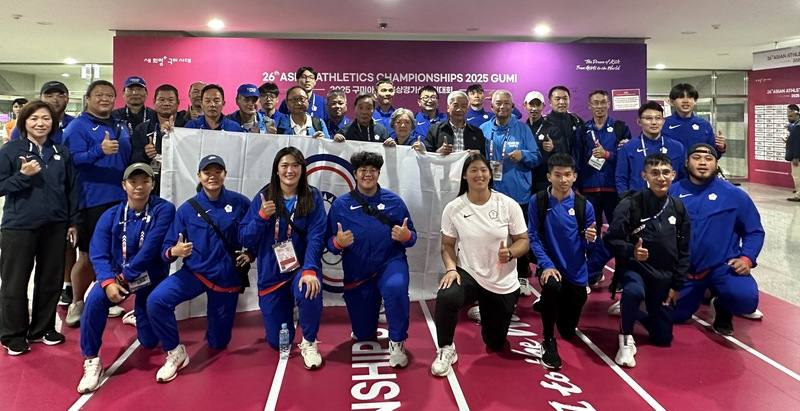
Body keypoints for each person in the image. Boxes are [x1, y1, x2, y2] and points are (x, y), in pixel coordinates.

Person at [147, 155, 252, 383]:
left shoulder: (241, 203)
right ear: (199, 176)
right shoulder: (186, 209)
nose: (212, 176)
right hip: (194, 274)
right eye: (207, 172)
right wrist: (174, 252)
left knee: (218, 342)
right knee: (156, 301)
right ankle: (175, 352)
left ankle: (215, 331)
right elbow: (166, 247)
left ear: (225, 174)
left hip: (226, 278)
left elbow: (255, 233)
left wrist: (250, 253)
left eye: (217, 171)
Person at [76, 163, 175, 393]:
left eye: (145, 181)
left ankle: (138, 314)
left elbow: (150, 250)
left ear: (153, 184)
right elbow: (98, 253)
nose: (139, 186)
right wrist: (108, 282)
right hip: (117, 277)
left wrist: (123, 278)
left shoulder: (164, 210)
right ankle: (91, 360)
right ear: (124, 185)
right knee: (94, 301)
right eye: (133, 182)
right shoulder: (110, 215)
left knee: (149, 341)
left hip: (149, 277)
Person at [431, 153, 529, 377]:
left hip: (501, 280)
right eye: (473, 170)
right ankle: (446, 348)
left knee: (495, 342)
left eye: (483, 170)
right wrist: (451, 268)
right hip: (469, 273)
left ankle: (485, 309)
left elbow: (523, 241)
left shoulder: (507, 204)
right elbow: (447, 245)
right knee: (447, 296)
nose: (479, 174)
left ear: (490, 174)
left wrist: (511, 253)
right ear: (465, 175)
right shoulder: (454, 208)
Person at [0, 101, 79, 355]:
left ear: (52, 123)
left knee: (50, 280)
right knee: (15, 281)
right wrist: (22, 176)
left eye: (45, 118)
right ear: (24, 122)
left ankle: (42, 328)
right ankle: (12, 334)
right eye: (34, 118)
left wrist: (72, 221)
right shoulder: (11, 150)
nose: (40, 123)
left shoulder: (61, 152)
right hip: (19, 226)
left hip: (55, 226)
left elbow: (71, 189)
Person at [326, 152, 416, 368]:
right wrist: (338, 243)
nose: (368, 174)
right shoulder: (341, 205)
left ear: (378, 173)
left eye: (372, 170)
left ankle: (397, 342)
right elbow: (328, 243)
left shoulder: (394, 202)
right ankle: (363, 324)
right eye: (363, 170)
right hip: (358, 272)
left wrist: (406, 237)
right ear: (355, 174)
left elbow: (412, 236)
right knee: (364, 335)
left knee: (396, 288)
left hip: (390, 263)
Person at [239, 147, 326, 369]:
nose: (290, 170)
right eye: (285, 165)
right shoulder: (263, 196)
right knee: (277, 343)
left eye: (295, 165)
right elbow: (245, 237)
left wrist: (310, 269)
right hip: (272, 272)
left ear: (303, 169)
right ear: (276, 170)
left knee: (309, 287)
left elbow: (317, 237)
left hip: (300, 268)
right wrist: (260, 218)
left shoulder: (313, 196)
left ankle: (309, 341)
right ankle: (288, 311)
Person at [604, 153, 690, 368]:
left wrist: (677, 284)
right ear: (645, 176)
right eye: (655, 173)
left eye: (665, 173)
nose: (661, 178)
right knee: (633, 292)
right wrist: (632, 251)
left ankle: (632, 312)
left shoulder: (679, 208)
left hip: (664, 276)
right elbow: (611, 239)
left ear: (673, 175)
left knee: (663, 338)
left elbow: (684, 248)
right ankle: (625, 339)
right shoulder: (631, 204)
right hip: (637, 270)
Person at [669, 144, 765, 336]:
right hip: (684, 270)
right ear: (686, 162)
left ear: (716, 164)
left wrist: (747, 258)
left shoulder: (735, 195)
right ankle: (698, 295)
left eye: (709, 158)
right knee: (672, 315)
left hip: (722, 266)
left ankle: (722, 305)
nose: (703, 162)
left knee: (745, 300)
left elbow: (754, 231)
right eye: (696, 157)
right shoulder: (672, 193)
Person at [64, 80, 132, 327]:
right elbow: (70, 161)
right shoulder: (77, 127)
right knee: (89, 255)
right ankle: (77, 301)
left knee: (114, 254)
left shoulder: (120, 124)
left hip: (121, 199)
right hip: (91, 201)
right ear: (88, 98)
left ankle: (103, 297)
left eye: (109, 95)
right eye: (99, 95)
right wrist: (98, 151)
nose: (105, 99)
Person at [529, 153, 598, 370]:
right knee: (551, 287)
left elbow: (591, 245)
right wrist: (546, 264)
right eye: (557, 175)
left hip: (576, 271)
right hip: (551, 268)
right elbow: (533, 236)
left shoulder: (583, 206)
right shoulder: (538, 201)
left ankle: (551, 305)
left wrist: (592, 240)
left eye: (567, 175)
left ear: (575, 176)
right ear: (549, 176)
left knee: (568, 329)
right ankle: (548, 340)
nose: (563, 180)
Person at [480, 90, 542, 295]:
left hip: (518, 193)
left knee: (519, 238)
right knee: (491, 236)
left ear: (512, 105)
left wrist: (523, 155)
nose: (502, 107)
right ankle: (490, 274)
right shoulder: (483, 129)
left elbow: (536, 157)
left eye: (506, 103)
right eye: (498, 103)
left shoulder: (522, 129)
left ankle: (522, 276)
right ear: (492, 106)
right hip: (490, 193)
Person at [579, 90, 631, 227]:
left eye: (603, 102)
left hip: (613, 188)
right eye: (595, 103)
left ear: (609, 104)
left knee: (617, 229)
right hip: (589, 189)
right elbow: (577, 158)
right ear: (589, 106)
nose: (599, 106)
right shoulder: (582, 130)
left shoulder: (620, 127)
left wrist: (607, 155)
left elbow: (628, 158)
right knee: (590, 230)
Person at [616, 101, 686, 194]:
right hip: (638, 202)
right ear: (639, 122)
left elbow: (683, 178)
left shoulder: (677, 147)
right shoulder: (628, 147)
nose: (654, 122)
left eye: (658, 118)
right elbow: (621, 178)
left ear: (663, 121)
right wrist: (627, 201)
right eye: (648, 118)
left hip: (670, 201)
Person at [130, 84, 180, 196]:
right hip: (152, 186)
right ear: (154, 102)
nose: (166, 103)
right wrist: (145, 154)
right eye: (161, 100)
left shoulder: (187, 127)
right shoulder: (142, 128)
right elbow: (133, 160)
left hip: (180, 182)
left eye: (171, 100)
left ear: (178, 103)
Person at [661, 83, 726, 157]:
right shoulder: (663, 124)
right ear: (672, 102)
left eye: (689, 97)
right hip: (672, 167)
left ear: (695, 101)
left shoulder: (704, 125)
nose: (686, 101)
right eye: (681, 97)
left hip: (696, 167)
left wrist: (721, 147)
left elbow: (713, 155)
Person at [11, 81, 75, 145]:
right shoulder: (26, 126)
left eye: (60, 96)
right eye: (49, 96)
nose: (55, 100)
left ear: (67, 99)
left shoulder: (75, 125)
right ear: (40, 98)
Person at [424, 91, 486, 156]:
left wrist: (478, 155)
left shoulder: (477, 132)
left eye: (463, 106)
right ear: (448, 108)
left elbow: (484, 159)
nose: (459, 109)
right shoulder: (434, 130)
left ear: (467, 109)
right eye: (455, 106)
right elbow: (426, 157)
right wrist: (438, 153)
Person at [524, 90, 559, 194]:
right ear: (525, 105)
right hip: (524, 176)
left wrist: (553, 148)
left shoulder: (552, 128)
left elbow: (561, 154)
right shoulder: (521, 128)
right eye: (531, 104)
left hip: (543, 180)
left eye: (538, 105)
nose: (534, 108)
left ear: (543, 106)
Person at [545, 86, 583, 158]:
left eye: (565, 98)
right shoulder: (543, 123)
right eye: (558, 99)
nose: (562, 102)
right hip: (552, 167)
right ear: (550, 102)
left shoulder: (577, 120)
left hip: (574, 167)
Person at [786, 104, 800, 202]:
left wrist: (796, 156)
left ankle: (798, 195)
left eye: (790, 114)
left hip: (797, 157)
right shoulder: (795, 125)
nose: (788, 116)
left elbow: (797, 143)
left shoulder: (797, 126)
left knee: (797, 176)